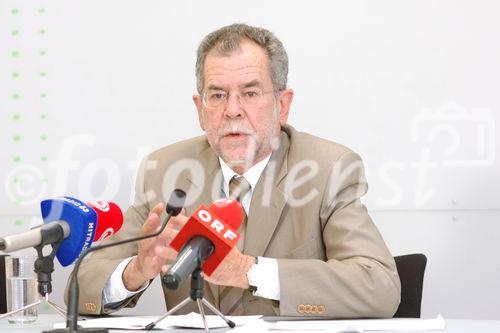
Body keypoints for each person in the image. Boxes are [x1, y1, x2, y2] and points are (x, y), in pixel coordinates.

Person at [68, 23, 401, 318]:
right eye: (217, 95)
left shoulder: (329, 168)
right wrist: (135, 272)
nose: (232, 111)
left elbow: (380, 285)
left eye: (250, 93)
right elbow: (80, 287)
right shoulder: (166, 169)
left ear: (282, 105)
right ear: (201, 110)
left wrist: (248, 271)